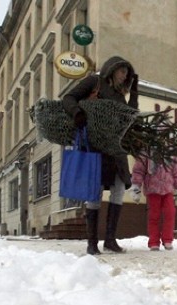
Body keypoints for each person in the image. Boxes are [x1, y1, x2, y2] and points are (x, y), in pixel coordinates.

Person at [62, 56, 139, 255]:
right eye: (122, 72)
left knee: (119, 187)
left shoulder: (120, 95)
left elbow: (129, 116)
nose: (125, 76)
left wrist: (135, 92)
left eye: (127, 74)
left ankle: (110, 240)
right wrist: (77, 113)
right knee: (94, 193)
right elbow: (68, 98)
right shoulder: (94, 82)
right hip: (95, 147)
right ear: (112, 69)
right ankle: (92, 243)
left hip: (114, 149)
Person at [131, 156, 177, 251]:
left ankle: (167, 239)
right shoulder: (146, 153)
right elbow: (138, 171)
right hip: (153, 189)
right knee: (154, 215)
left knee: (170, 213)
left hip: (167, 189)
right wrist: (136, 185)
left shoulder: (171, 154)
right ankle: (154, 242)